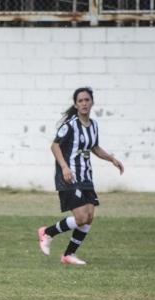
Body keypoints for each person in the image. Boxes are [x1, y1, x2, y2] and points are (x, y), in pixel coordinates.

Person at [37, 87, 124, 265]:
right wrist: (64, 167)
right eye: (80, 101)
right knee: (80, 218)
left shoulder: (94, 126)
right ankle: (47, 233)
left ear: (91, 102)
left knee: (89, 216)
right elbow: (55, 146)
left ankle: (68, 255)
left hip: (86, 177)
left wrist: (111, 159)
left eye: (87, 100)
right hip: (69, 176)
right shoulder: (70, 125)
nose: (84, 103)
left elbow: (95, 147)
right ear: (76, 105)